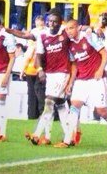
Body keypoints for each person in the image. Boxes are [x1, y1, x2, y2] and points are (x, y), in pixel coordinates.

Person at [60, 20, 107, 150]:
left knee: (102, 112)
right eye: (67, 29)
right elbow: (74, 64)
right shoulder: (70, 45)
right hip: (81, 80)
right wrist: (70, 82)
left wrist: (100, 70)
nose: (69, 31)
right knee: (74, 106)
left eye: (71, 28)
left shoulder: (89, 37)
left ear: (78, 28)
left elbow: (105, 53)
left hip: (96, 80)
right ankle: (67, 140)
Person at [26, 10, 74, 146]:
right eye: (50, 21)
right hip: (50, 74)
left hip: (63, 72)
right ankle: (68, 137)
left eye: (54, 21)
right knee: (60, 104)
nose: (51, 24)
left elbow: (80, 29)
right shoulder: (42, 35)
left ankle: (36, 135)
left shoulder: (65, 32)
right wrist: (40, 69)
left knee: (49, 102)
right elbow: (39, 54)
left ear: (60, 23)